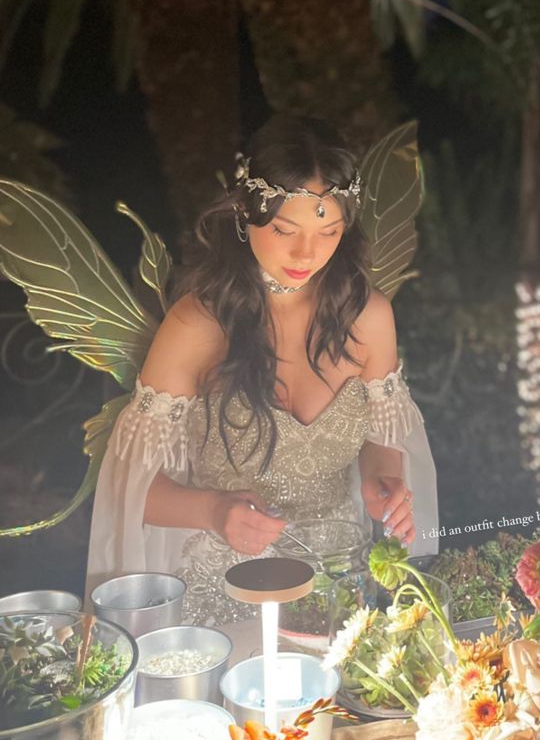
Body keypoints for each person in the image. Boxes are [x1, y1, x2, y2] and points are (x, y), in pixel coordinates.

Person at [86, 116, 438, 625]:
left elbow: (380, 440)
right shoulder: (198, 324)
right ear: (243, 217)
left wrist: (381, 482)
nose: (306, 253)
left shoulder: (369, 317)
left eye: (329, 231)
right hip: (225, 598)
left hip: (338, 592)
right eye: (284, 230)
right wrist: (212, 511)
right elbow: (130, 489)